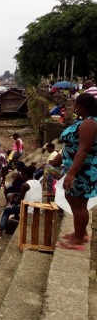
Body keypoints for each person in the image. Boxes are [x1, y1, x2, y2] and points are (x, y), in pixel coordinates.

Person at [53, 93, 97, 250]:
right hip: (78, 168)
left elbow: (83, 150)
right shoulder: (85, 122)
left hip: (83, 170)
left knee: (79, 203)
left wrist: (72, 173)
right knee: (72, 198)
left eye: (75, 104)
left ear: (79, 106)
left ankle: (78, 240)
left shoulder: (90, 124)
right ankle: (80, 232)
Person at [0, 166, 42, 238]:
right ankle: (16, 216)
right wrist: (15, 194)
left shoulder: (25, 185)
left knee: (6, 210)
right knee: (13, 198)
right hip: (37, 207)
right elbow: (27, 193)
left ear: (24, 175)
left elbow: (20, 199)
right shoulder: (37, 182)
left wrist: (12, 205)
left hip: (29, 208)